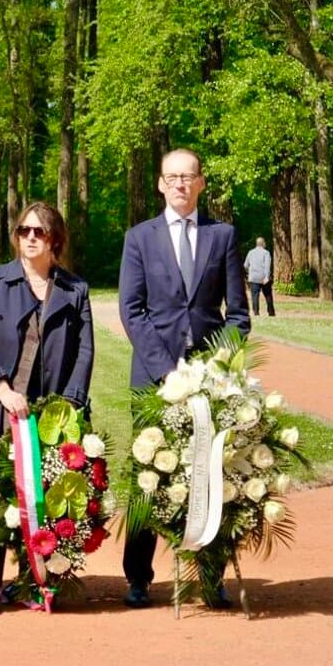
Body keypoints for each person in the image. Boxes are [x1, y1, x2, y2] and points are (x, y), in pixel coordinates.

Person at [118, 148, 249, 608]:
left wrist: (214, 369)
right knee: (149, 474)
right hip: (155, 376)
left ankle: (210, 575)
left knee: (213, 474)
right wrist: (169, 373)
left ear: (200, 183)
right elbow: (131, 311)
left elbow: (237, 315)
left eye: (187, 177)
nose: (179, 184)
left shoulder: (223, 236)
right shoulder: (139, 238)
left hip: (211, 379)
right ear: (160, 184)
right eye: (171, 177)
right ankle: (138, 577)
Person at [0, 201, 94, 613]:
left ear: (55, 238)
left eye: (39, 232)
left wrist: (67, 406)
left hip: (52, 412)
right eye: (24, 231)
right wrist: (2, 390)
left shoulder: (76, 290)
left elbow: (85, 352)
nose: (30, 238)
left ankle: (33, 580)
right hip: (0, 409)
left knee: (43, 498)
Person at [244, 237, 276, 316]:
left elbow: (245, 265)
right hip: (263, 277)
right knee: (268, 295)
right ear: (263, 244)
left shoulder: (250, 252)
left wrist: (249, 273)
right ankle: (271, 312)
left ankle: (256, 312)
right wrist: (266, 277)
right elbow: (267, 266)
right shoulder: (266, 253)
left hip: (253, 277)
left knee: (254, 296)